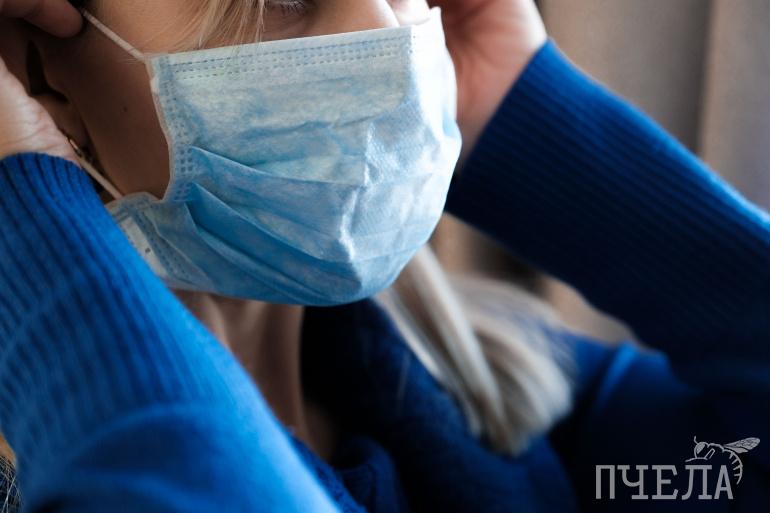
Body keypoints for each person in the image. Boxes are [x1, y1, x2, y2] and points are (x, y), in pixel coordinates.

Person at [0, 1, 768, 512]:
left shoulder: (486, 389)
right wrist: (24, 212)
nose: (390, 33)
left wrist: (520, 108)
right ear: (36, 73)